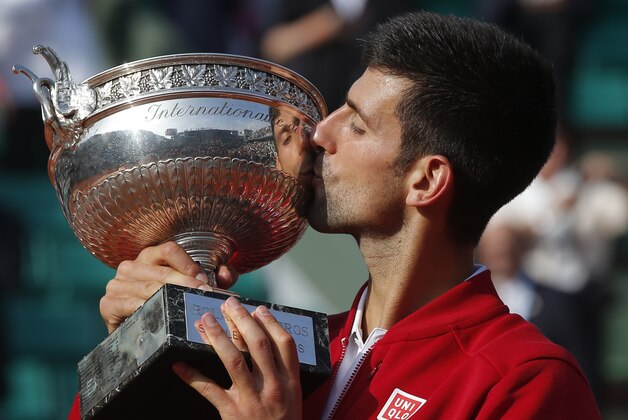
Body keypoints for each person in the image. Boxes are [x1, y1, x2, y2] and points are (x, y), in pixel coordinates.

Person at [69, 11, 601, 419]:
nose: (320, 133)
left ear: (426, 180)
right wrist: (134, 353)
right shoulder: (275, 353)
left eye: (358, 124)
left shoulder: (521, 382)